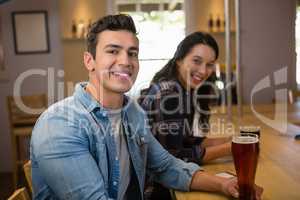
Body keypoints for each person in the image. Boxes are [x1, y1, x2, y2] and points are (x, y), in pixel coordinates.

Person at [30, 14, 262, 200]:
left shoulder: (131, 113)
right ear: (89, 60)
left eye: (133, 53)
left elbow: (166, 165)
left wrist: (224, 184)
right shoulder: (60, 125)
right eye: (113, 51)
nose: (125, 61)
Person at [139, 32, 232, 166]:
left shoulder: (181, 89)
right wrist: (229, 149)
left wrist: (230, 141)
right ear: (179, 60)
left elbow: (184, 141)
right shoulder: (169, 95)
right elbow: (174, 158)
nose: (203, 71)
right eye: (196, 61)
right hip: (153, 184)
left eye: (209, 64)